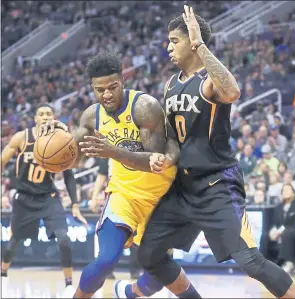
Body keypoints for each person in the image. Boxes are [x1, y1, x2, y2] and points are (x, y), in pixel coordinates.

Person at [119, 6, 295, 299]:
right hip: (182, 187)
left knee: (250, 262)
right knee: (149, 254)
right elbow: (169, 138)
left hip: (216, 184)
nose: (168, 47)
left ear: (192, 42)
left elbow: (232, 92)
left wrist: (199, 45)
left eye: (174, 40)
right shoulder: (170, 84)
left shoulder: (208, 80)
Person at [39, 52, 181, 298]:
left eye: (112, 87)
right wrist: (57, 138)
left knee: (155, 281)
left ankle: (128, 292)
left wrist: (113, 151)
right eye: (99, 89)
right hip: (123, 196)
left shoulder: (144, 108)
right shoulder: (91, 116)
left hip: (161, 202)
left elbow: (154, 161)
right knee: (105, 260)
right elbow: (73, 158)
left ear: (123, 81)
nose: (106, 94)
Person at [0, 104, 87, 297]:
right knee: (13, 242)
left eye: (49, 113)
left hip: (49, 198)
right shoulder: (22, 137)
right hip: (23, 198)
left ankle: (68, 285)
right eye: (41, 114)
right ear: (35, 119)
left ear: (54, 117)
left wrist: (74, 204)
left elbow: (69, 175)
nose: (45, 116)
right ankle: (3, 274)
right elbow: (2, 161)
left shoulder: (60, 140)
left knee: (64, 239)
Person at [91, 158, 141, 280]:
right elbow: (101, 175)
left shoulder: (137, 148)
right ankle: (106, 269)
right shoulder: (109, 151)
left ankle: (135, 271)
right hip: (114, 197)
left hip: (136, 196)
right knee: (110, 236)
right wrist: (94, 196)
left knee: (135, 236)